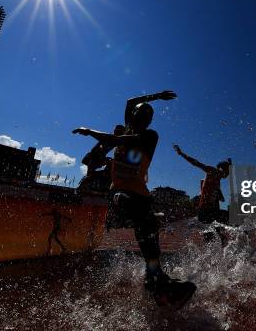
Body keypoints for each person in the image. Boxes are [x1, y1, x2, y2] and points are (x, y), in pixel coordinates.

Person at [73, 90, 197, 310]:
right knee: (136, 212)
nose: (143, 122)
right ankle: (157, 280)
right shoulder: (126, 129)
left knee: (150, 237)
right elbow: (130, 101)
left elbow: (115, 139)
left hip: (142, 195)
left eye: (146, 120)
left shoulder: (150, 136)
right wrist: (157, 96)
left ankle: (155, 282)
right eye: (140, 118)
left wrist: (89, 131)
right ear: (133, 118)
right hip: (121, 194)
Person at [173, 144, 230, 224]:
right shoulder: (213, 171)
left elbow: (219, 200)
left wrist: (219, 195)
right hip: (205, 212)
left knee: (216, 232)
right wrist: (181, 153)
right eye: (229, 171)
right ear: (225, 169)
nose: (228, 174)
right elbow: (196, 163)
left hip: (210, 212)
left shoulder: (218, 182)